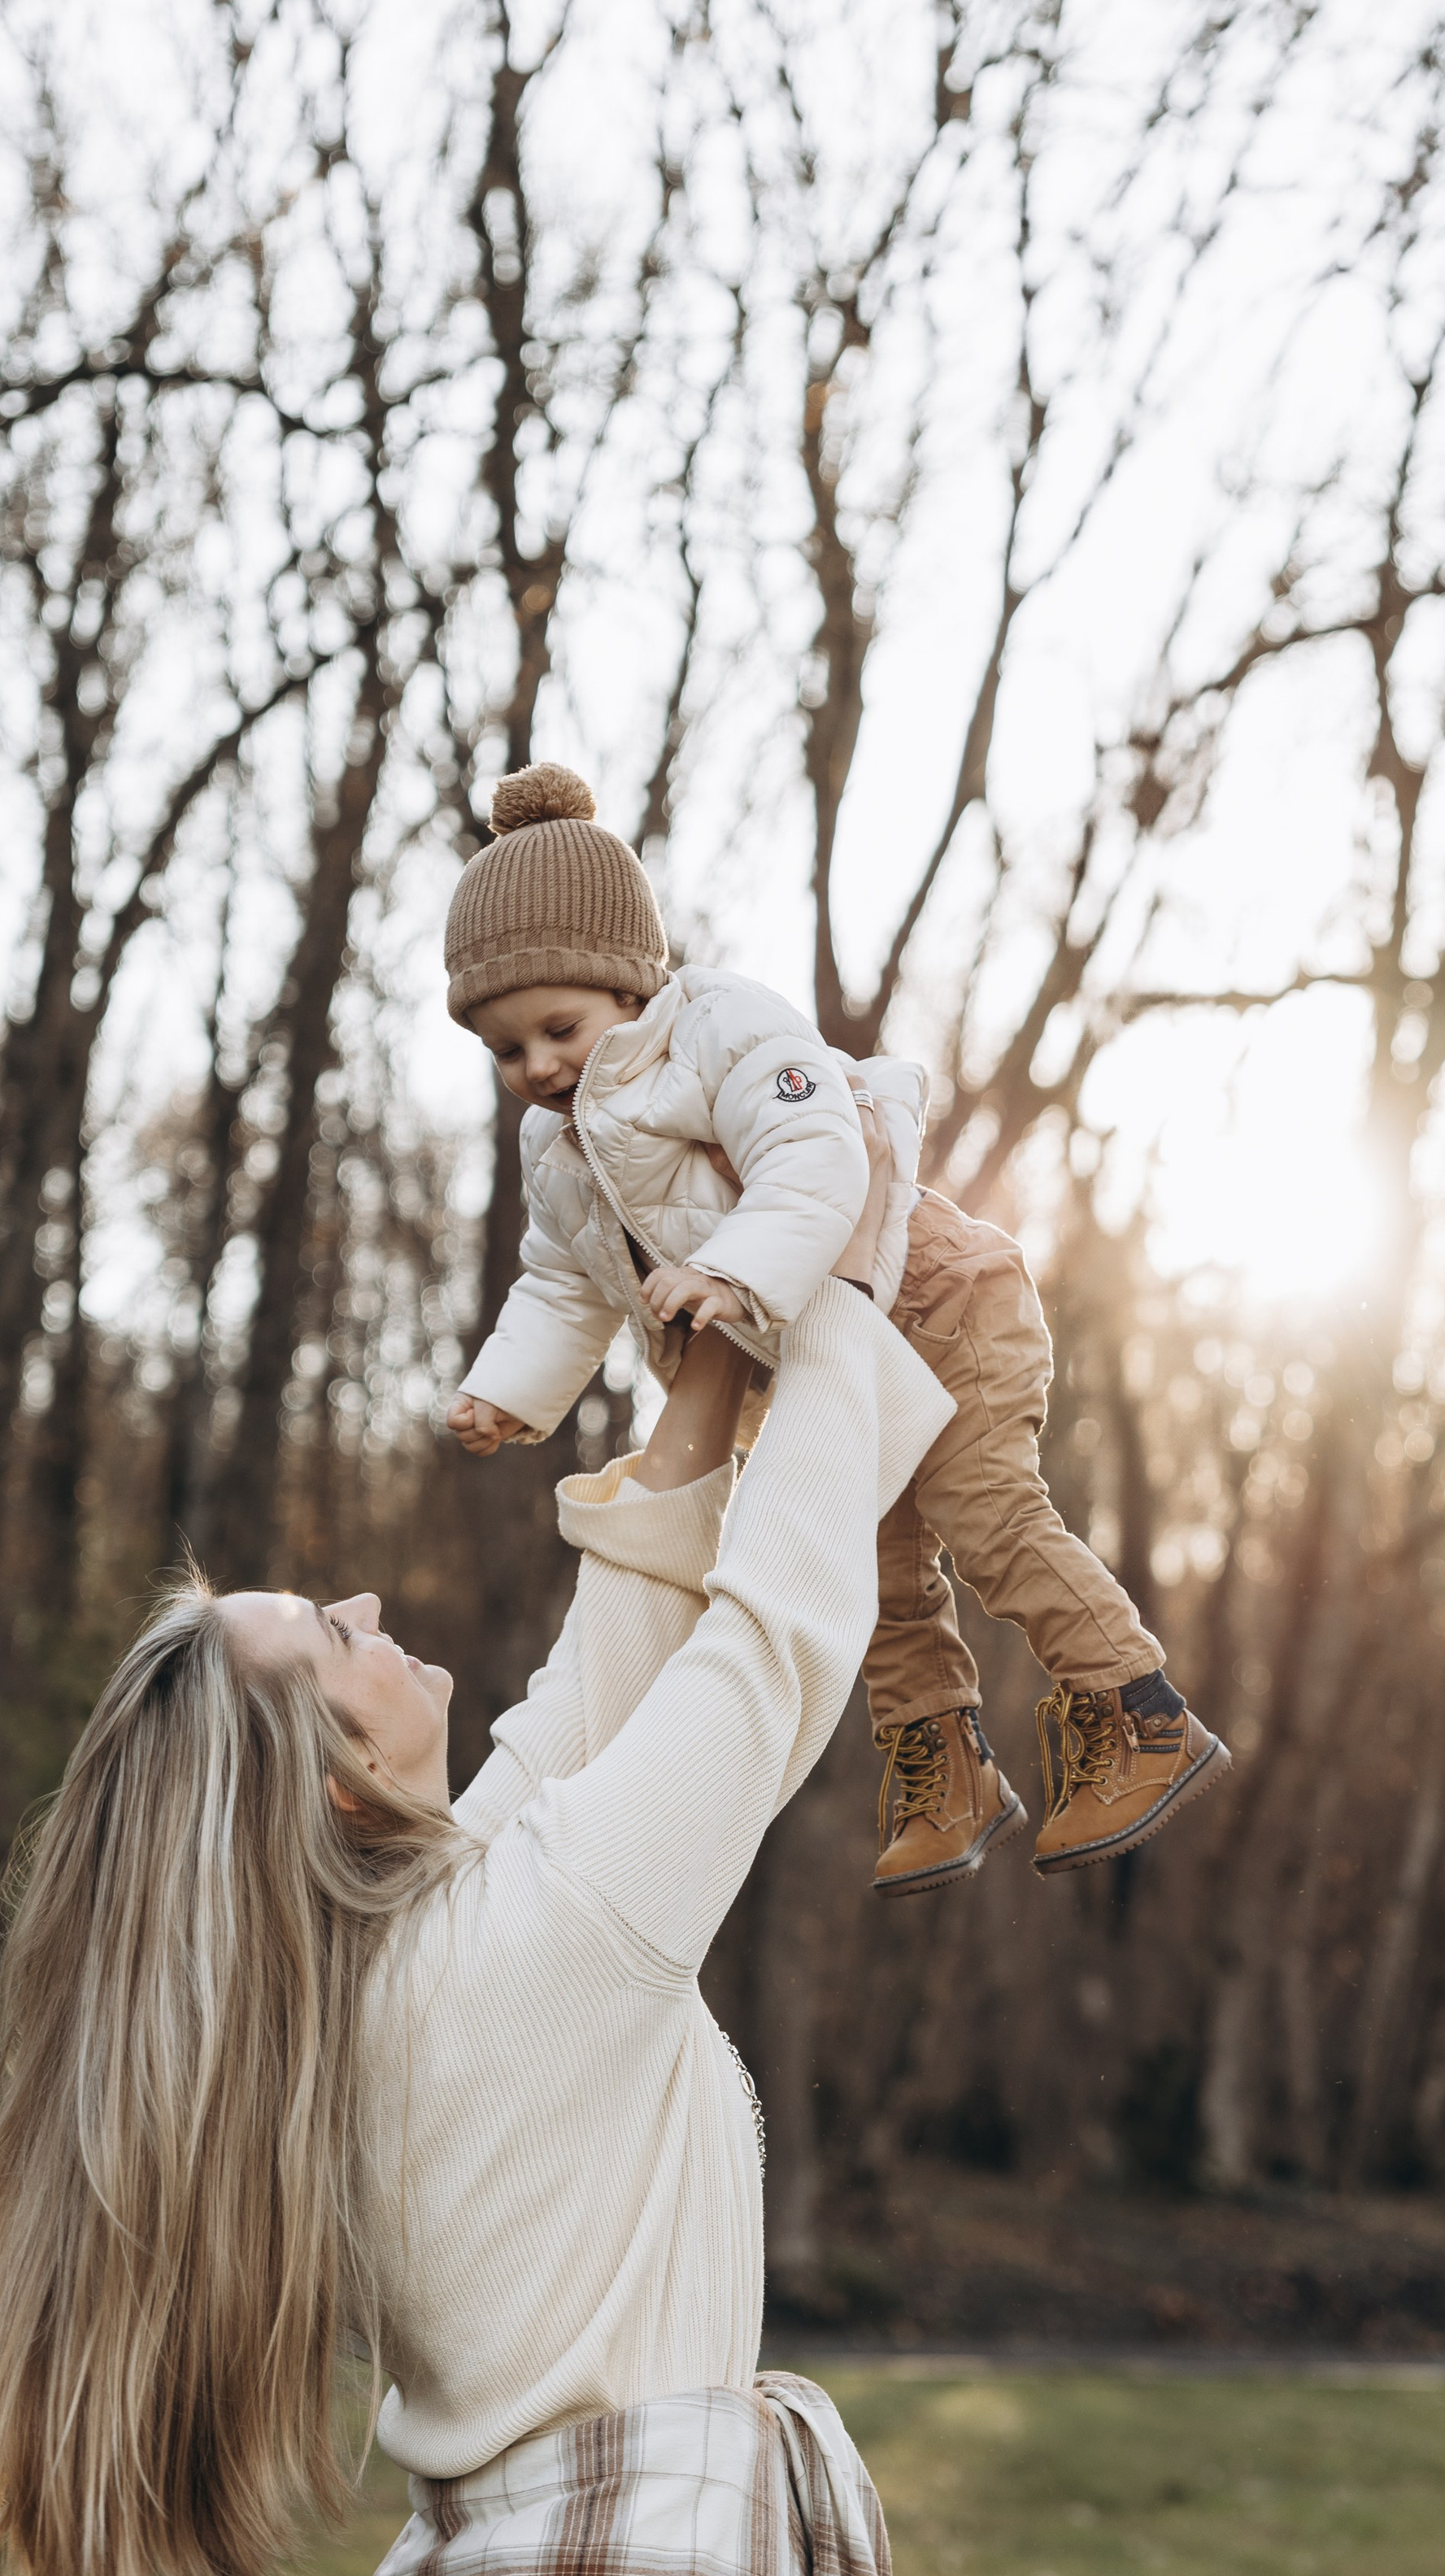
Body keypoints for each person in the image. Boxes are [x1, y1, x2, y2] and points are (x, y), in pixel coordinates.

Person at [0, 1097, 947, 2576]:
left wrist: (709, 1379)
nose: (377, 1613)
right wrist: (841, 1276)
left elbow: (614, 1662)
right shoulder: (513, 1953)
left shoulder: (420, 1952)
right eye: (334, 1635)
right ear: (330, 1774)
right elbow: (775, 1646)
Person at [442, 763, 1229, 1895]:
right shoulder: (558, 1149)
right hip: (820, 1353)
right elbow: (561, 1282)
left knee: (986, 1513)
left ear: (628, 986)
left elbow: (820, 1155)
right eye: (506, 1052)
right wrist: (509, 1392)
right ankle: (945, 1770)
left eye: (556, 1028)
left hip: (940, 1298)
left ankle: (1134, 1708)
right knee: (876, 1571)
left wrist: (726, 1268)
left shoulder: (716, 1031)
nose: (539, 1069)